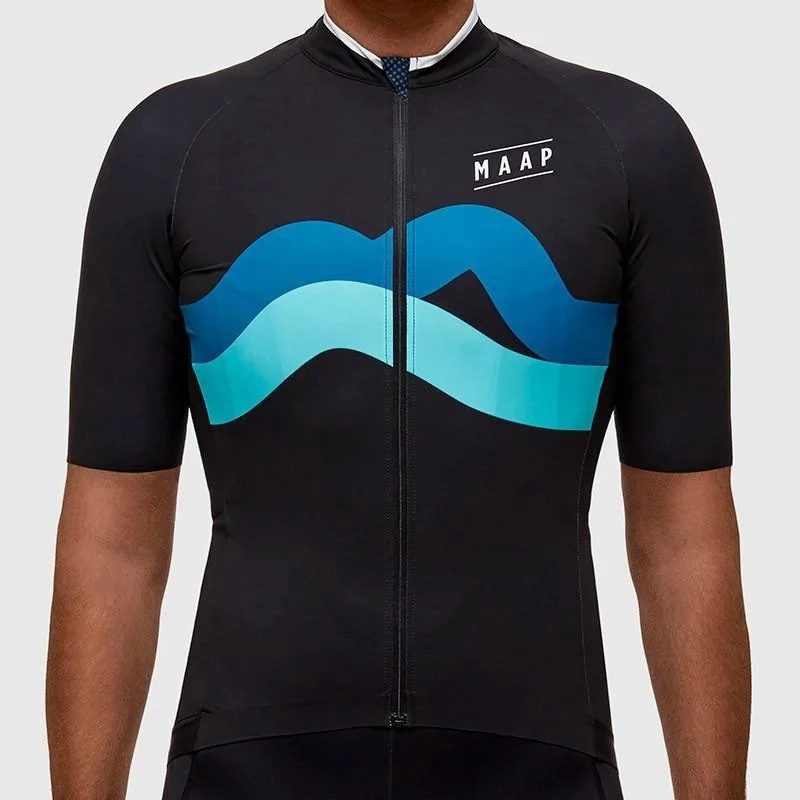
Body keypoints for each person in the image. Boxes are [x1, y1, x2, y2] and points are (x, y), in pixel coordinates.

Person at [46, 0, 751, 797]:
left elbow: (684, 536)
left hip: (539, 764)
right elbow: (113, 546)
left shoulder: (630, 144)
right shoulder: (172, 147)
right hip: (247, 766)